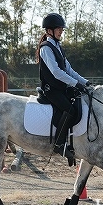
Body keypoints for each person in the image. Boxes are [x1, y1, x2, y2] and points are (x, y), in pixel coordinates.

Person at [36, 13, 90, 163]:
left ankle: (71, 143)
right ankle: (59, 144)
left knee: (77, 104)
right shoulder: (46, 48)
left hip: (60, 88)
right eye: (58, 29)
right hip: (51, 89)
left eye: (61, 29)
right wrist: (75, 83)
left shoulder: (58, 47)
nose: (61, 31)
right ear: (49, 30)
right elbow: (56, 72)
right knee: (70, 110)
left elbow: (69, 70)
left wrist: (85, 83)